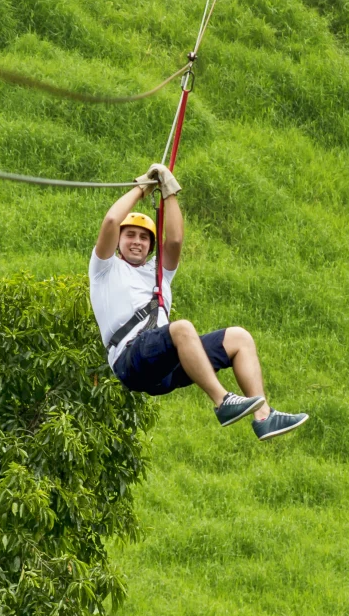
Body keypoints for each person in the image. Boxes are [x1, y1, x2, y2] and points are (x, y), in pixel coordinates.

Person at [88, 163, 308, 439]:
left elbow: (176, 240)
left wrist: (169, 191)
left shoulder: (159, 274)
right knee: (181, 328)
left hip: (164, 366)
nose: (137, 242)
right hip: (130, 359)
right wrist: (141, 189)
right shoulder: (104, 269)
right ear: (118, 240)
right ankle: (222, 401)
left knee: (239, 338)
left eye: (144, 238)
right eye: (130, 235)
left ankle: (264, 417)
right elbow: (110, 222)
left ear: (150, 247)